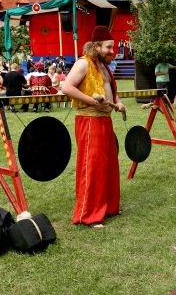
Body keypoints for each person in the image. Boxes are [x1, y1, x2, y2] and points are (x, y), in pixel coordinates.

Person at [61, 25, 125, 228]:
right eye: (108, 47)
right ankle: (88, 215)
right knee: (92, 167)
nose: (111, 52)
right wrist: (91, 101)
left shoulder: (103, 66)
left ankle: (108, 207)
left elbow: (111, 90)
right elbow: (66, 87)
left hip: (104, 120)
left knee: (108, 166)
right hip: (89, 121)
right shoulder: (83, 63)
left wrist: (118, 101)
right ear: (97, 46)